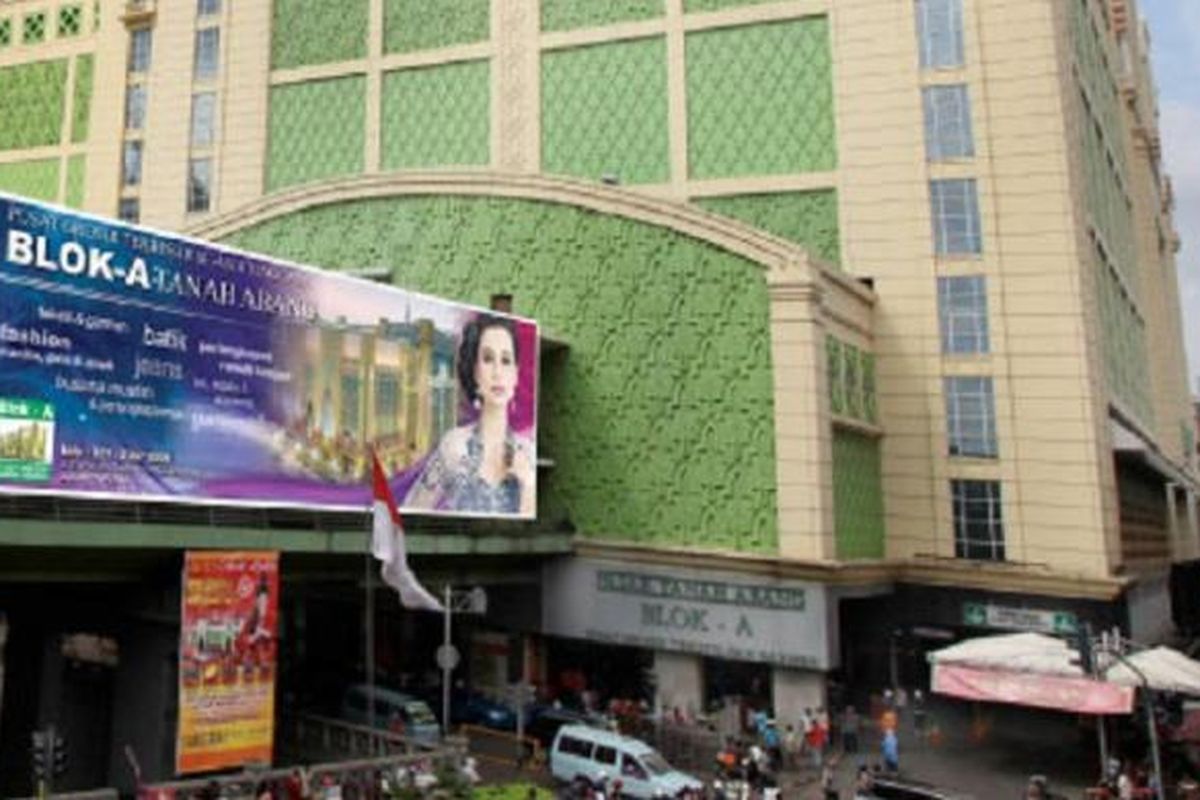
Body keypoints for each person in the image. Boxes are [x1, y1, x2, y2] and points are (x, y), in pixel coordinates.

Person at [405, 314, 534, 515]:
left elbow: (530, 533)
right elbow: (411, 511)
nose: (497, 372)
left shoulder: (527, 452)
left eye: (506, 360)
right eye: (488, 359)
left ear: (516, 374)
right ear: (475, 370)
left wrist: (527, 484)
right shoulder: (454, 446)